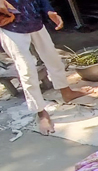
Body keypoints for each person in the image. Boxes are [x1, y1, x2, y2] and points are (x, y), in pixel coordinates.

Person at [0, 0, 85, 135]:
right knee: (26, 70)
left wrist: (49, 10)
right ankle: (41, 113)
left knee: (53, 59)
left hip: (35, 21)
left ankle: (66, 92)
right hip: (11, 27)